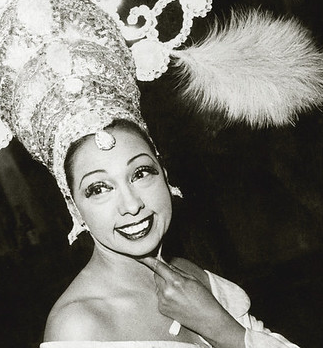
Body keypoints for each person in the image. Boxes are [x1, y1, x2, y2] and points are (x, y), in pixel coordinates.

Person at [41, 121, 299, 348]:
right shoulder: (77, 327)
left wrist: (221, 328)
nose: (132, 205)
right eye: (99, 189)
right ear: (74, 207)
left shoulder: (189, 275)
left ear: (164, 177)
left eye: (140, 174)